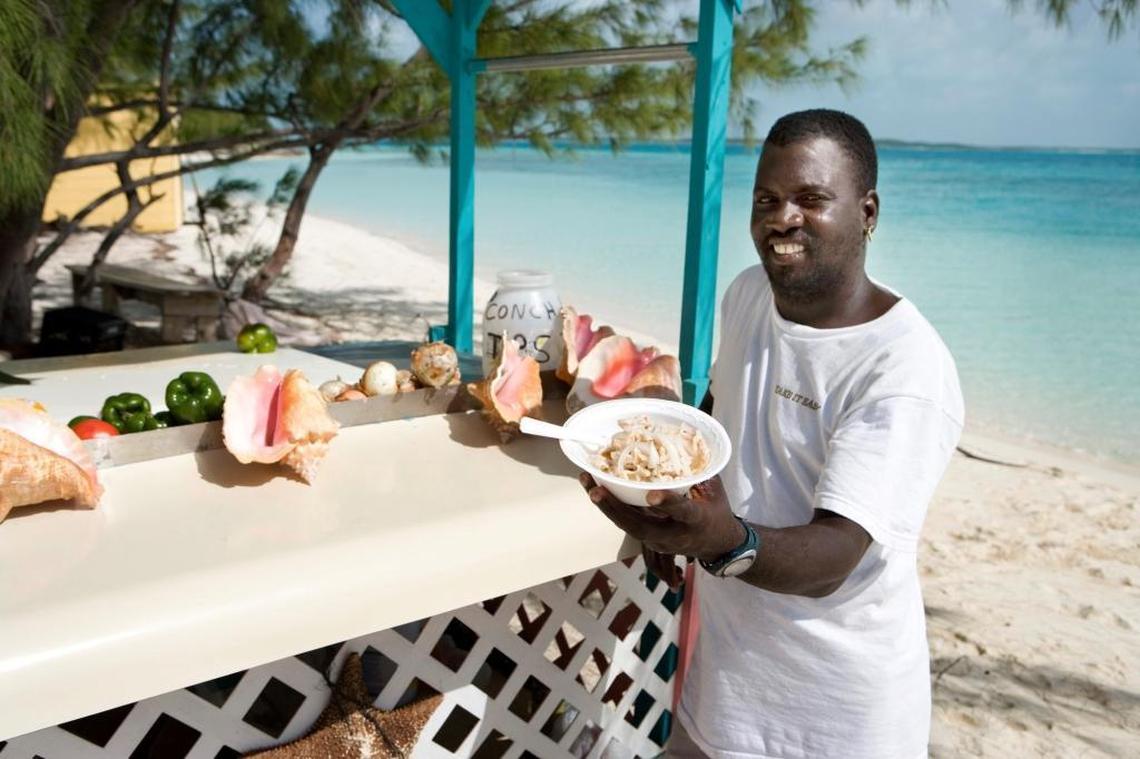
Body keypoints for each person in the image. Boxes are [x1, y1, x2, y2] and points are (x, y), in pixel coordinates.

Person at [581, 109, 964, 759]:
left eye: (812, 199)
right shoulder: (748, 294)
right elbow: (713, 419)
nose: (782, 217)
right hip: (725, 686)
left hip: (835, 713)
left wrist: (720, 539)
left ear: (867, 212)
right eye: (767, 198)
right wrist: (669, 503)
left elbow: (835, 556)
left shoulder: (901, 367)